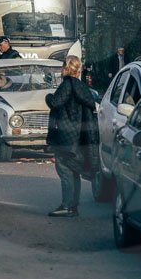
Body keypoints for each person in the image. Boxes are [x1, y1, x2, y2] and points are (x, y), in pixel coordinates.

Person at [44, 55, 99, 218]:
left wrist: (48, 97)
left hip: (65, 135)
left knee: (64, 169)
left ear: (67, 68)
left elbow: (55, 103)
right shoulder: (82, 87)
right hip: (77, 135)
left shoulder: (67, 84)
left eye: (63, 66)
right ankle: (73, 206)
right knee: (73, 170)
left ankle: (67, 206)